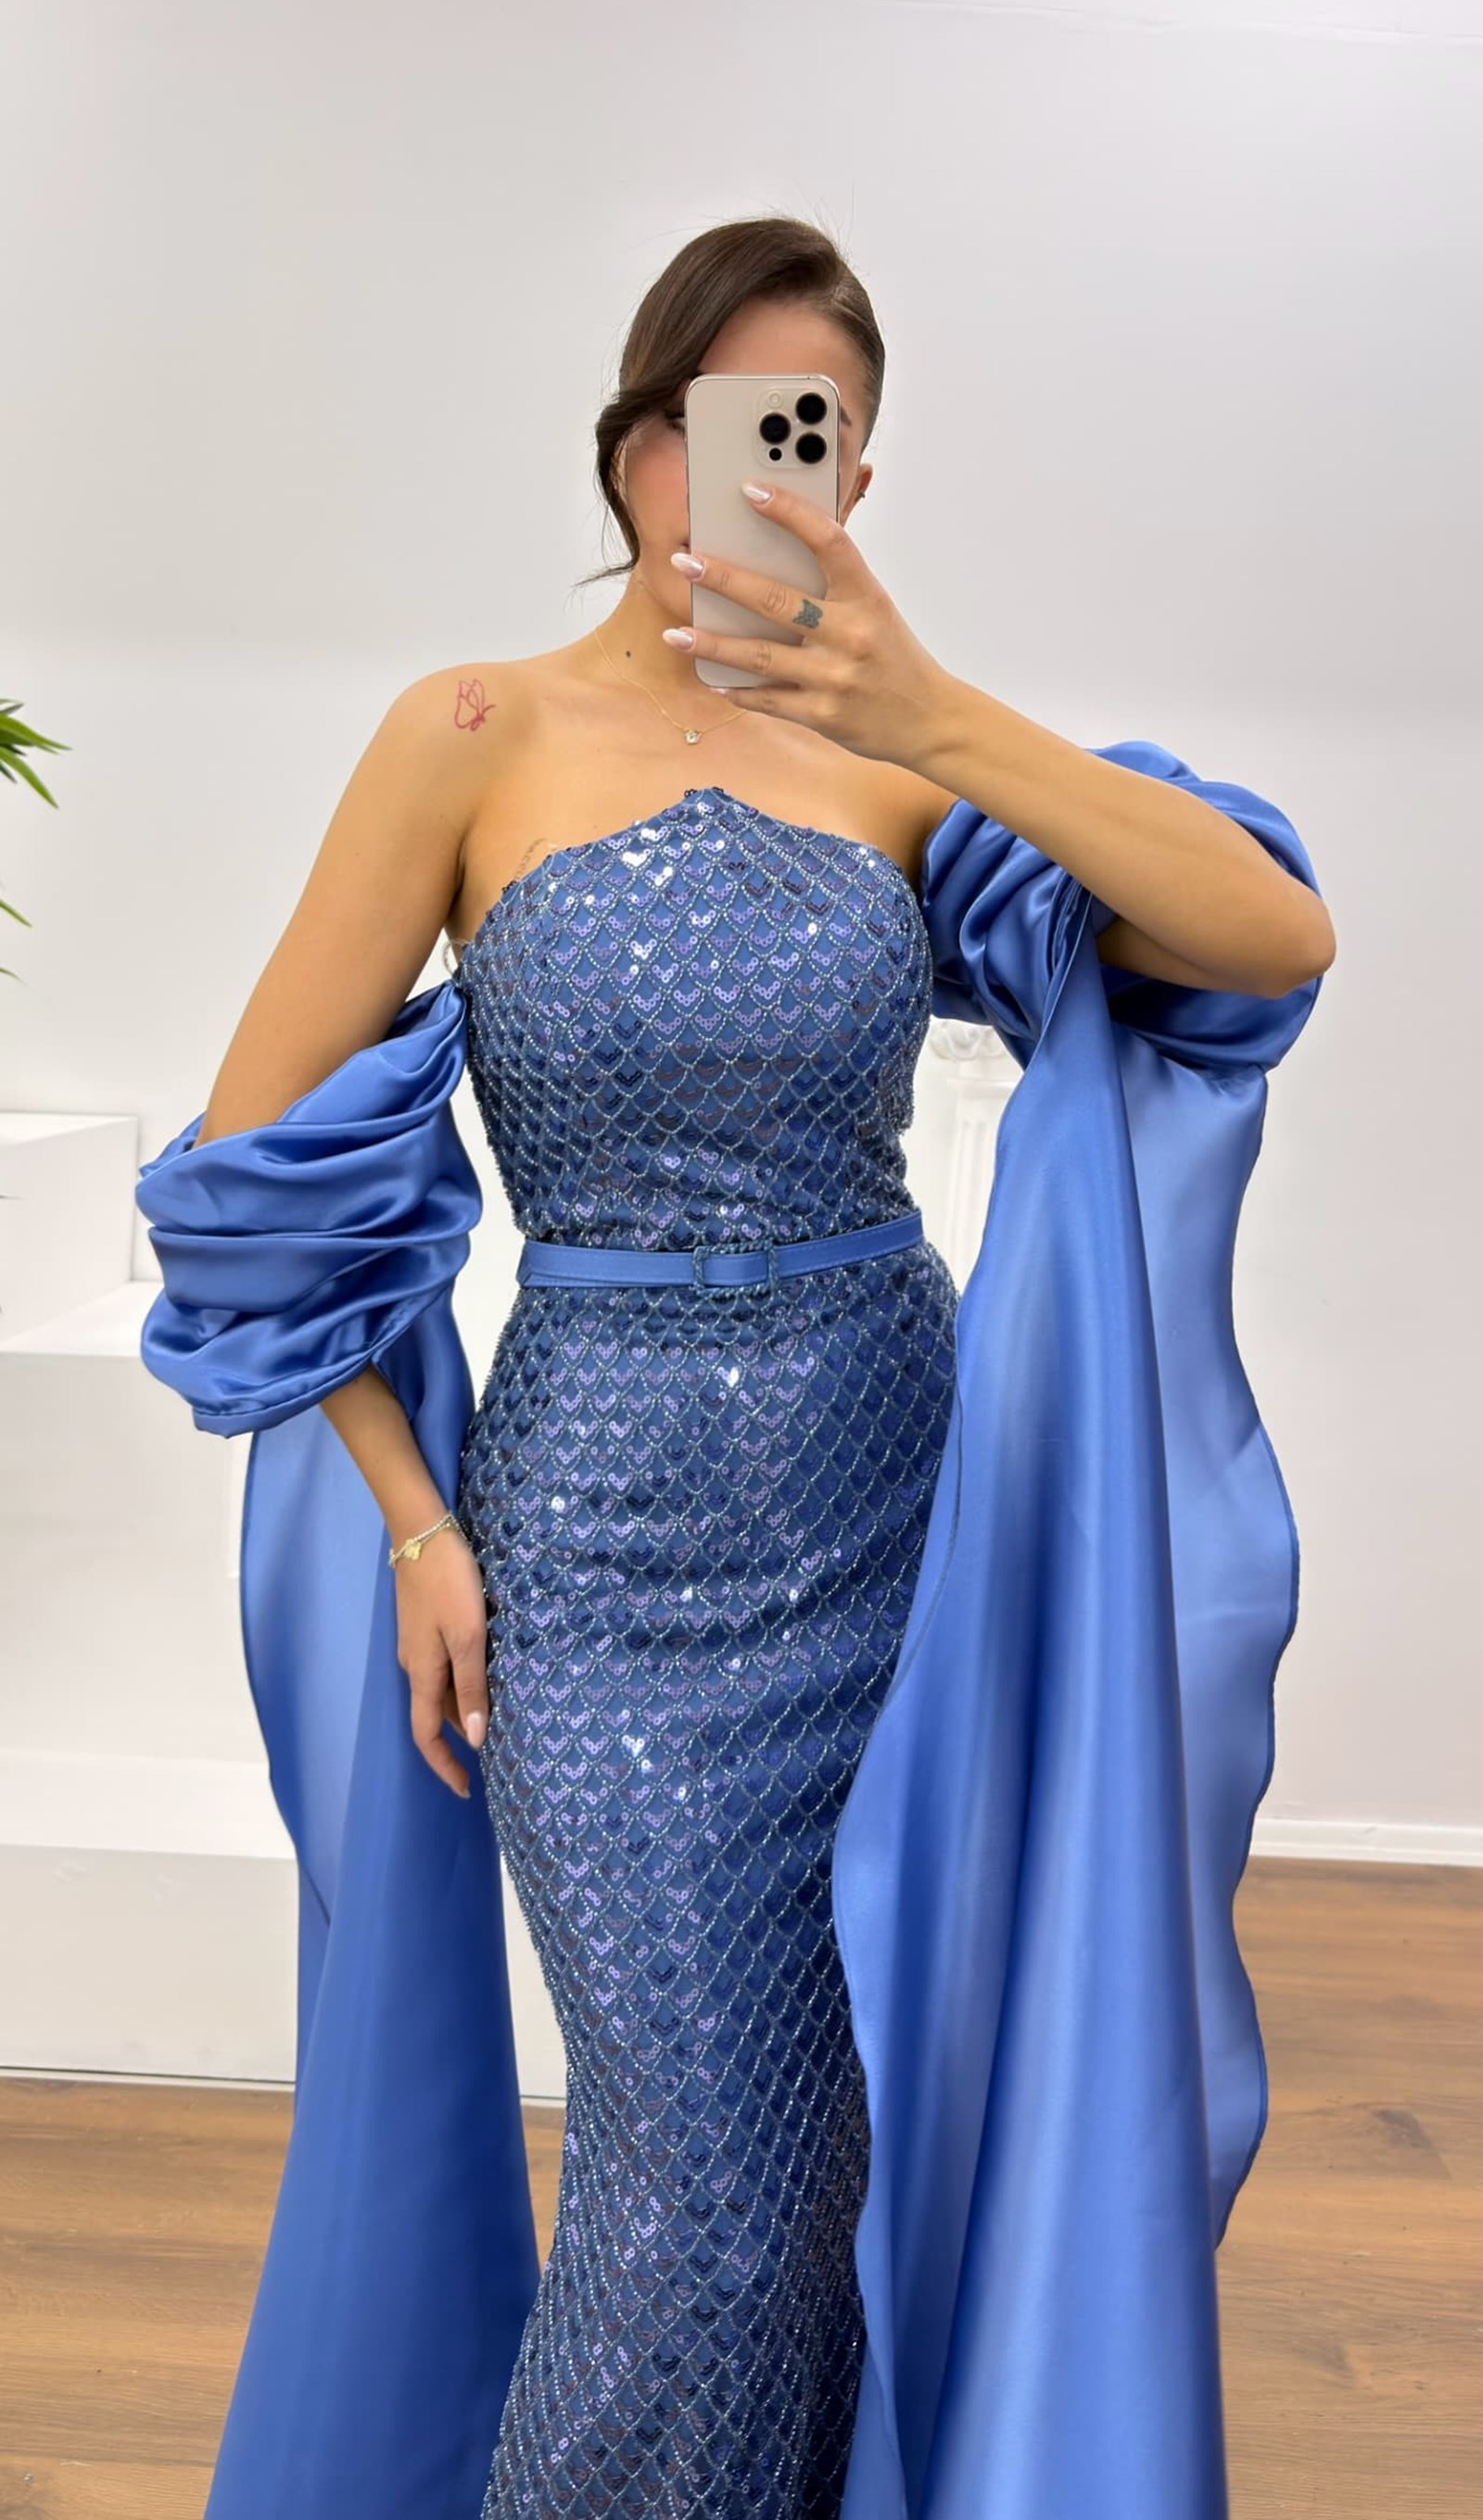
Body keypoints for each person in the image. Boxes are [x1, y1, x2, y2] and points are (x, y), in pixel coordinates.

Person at [135, 214, 1335, 2520]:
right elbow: (244, 1181)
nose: (773, 472)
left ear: (857, 482)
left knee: (826, 2182)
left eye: (823, 439)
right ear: (638, 444)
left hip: (892, 1518)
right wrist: (414, 1521)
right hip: (589, 1557)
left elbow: (1265, 937)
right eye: (733, 421)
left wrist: (932, 714)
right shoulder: (470, 735)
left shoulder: (894, 768)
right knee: (694, 2196)